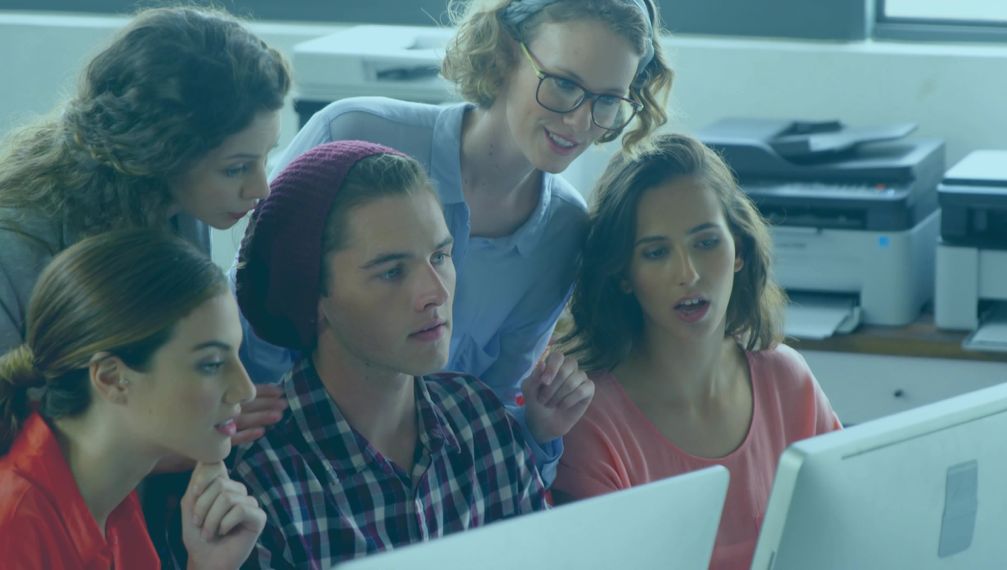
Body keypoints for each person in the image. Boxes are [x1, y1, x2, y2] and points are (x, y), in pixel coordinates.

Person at [238, 0, 674, 481]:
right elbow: (256, 313)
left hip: (433, 489)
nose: (579, 122)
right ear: (507, 53)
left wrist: (539, 429)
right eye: (565, 84)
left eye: (608, 100)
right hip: (288, 462)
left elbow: (496, 404)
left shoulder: (564, 230)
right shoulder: (352, 132)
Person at [231, 140, 587, 567]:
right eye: (392, 271)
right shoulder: (261, 477)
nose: (436, 293)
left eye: (441, 255)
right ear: (314, 296)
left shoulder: (481, 423)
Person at [0, 5, 292, 446]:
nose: (261, 188)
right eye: (235, 169)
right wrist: (167, 443)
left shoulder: (174, 202)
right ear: (161, 155)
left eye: (265, 158)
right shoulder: (15, 243)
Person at [552, 134, 843, 570]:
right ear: (623, 275)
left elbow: (844, 530)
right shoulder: (589, 418)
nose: (687, 273)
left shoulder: (787, 379)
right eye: (655, 253)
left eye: (706, 242)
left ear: (739, 250)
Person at [0, 230, 265, 570]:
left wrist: (208, 565)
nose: (246, 389)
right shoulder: (14, 527)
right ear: (111, 378)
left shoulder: (113, 492)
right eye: (211, 364)